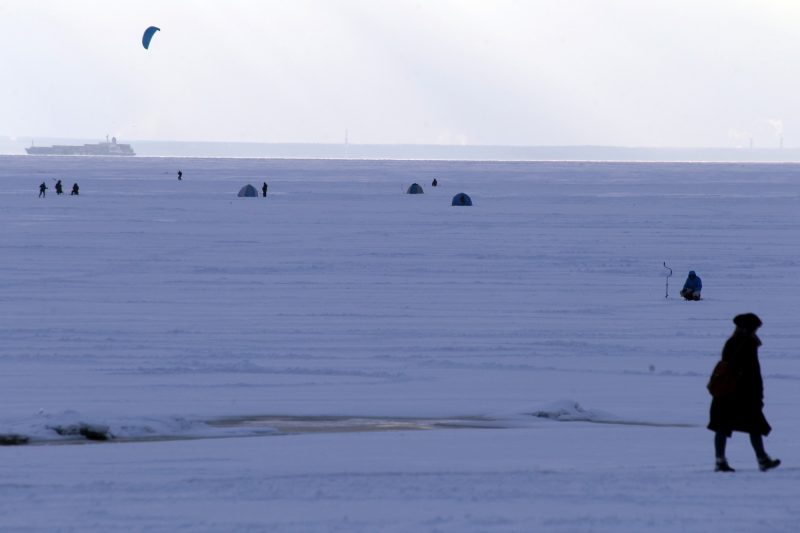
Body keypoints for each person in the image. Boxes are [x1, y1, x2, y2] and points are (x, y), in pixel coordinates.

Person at [708, 313, 780, 472]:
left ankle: (720, 461)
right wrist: (758, 394)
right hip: (744, 394)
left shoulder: (731, 342)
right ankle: (762, 459)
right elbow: (753, 373)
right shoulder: (748, 344)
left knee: (722, 426)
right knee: (754, 426)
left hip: (726, 392)